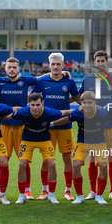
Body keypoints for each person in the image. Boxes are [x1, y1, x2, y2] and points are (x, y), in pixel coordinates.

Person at [0, 57, 72, 200]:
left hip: (22, 126)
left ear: (19, 69)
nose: (12, 69)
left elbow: (43, 78)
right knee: (3, 161)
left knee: (24, 161)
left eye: (15, 67)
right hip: (4, 126)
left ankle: (27, 190)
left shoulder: (26, 80)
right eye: (9, 67)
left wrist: (61, 72)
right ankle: (0, 191)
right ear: (5, 68)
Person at [32, 53, 81, 201]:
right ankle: (45, 191)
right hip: (46, 126)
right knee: (46, 159)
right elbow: (33, 99)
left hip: (65, 124)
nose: (55, 66)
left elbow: (78, 99)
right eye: (53, 64)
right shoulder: (42, 81)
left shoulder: (69, 81)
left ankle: (68, 191)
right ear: (49, 65)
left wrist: (89, 106)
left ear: (63, 65)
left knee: (67, 157)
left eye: (58, 64)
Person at [10, 93, 72, 204]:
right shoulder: (23, 112)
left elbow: (65, 112)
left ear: (42, 104)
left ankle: (51, 195)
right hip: (28, 140)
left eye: (38, 105)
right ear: (28, 104)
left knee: (52, 164)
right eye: (32, 105)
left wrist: (82, 110)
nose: (35, 108)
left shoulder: (48, 112)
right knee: (22, 164)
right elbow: (7, 116)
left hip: (45, 140)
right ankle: (21, 195)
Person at [78, 50, 112, 201]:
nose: (100, 63)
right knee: (93, 159)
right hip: (93, 125)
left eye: (103, 60)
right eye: (98, 61)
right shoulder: (88, 79)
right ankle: (92, 191)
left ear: (107, 62)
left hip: (110, 123)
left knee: (111, 159)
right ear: (94, 62)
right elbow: (80, 98)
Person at [52, 91, 110, 205]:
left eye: (90, 103)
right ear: (81, 103)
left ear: (94, 103)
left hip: (99, 143)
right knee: (76, 165)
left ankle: (99, 196)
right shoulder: (77, 113)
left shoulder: (102, 114)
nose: (87, 105)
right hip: (82, 143)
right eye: (85, 103)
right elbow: (67, 119)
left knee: (103, 166)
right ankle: (80, 196)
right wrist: (51, 124)